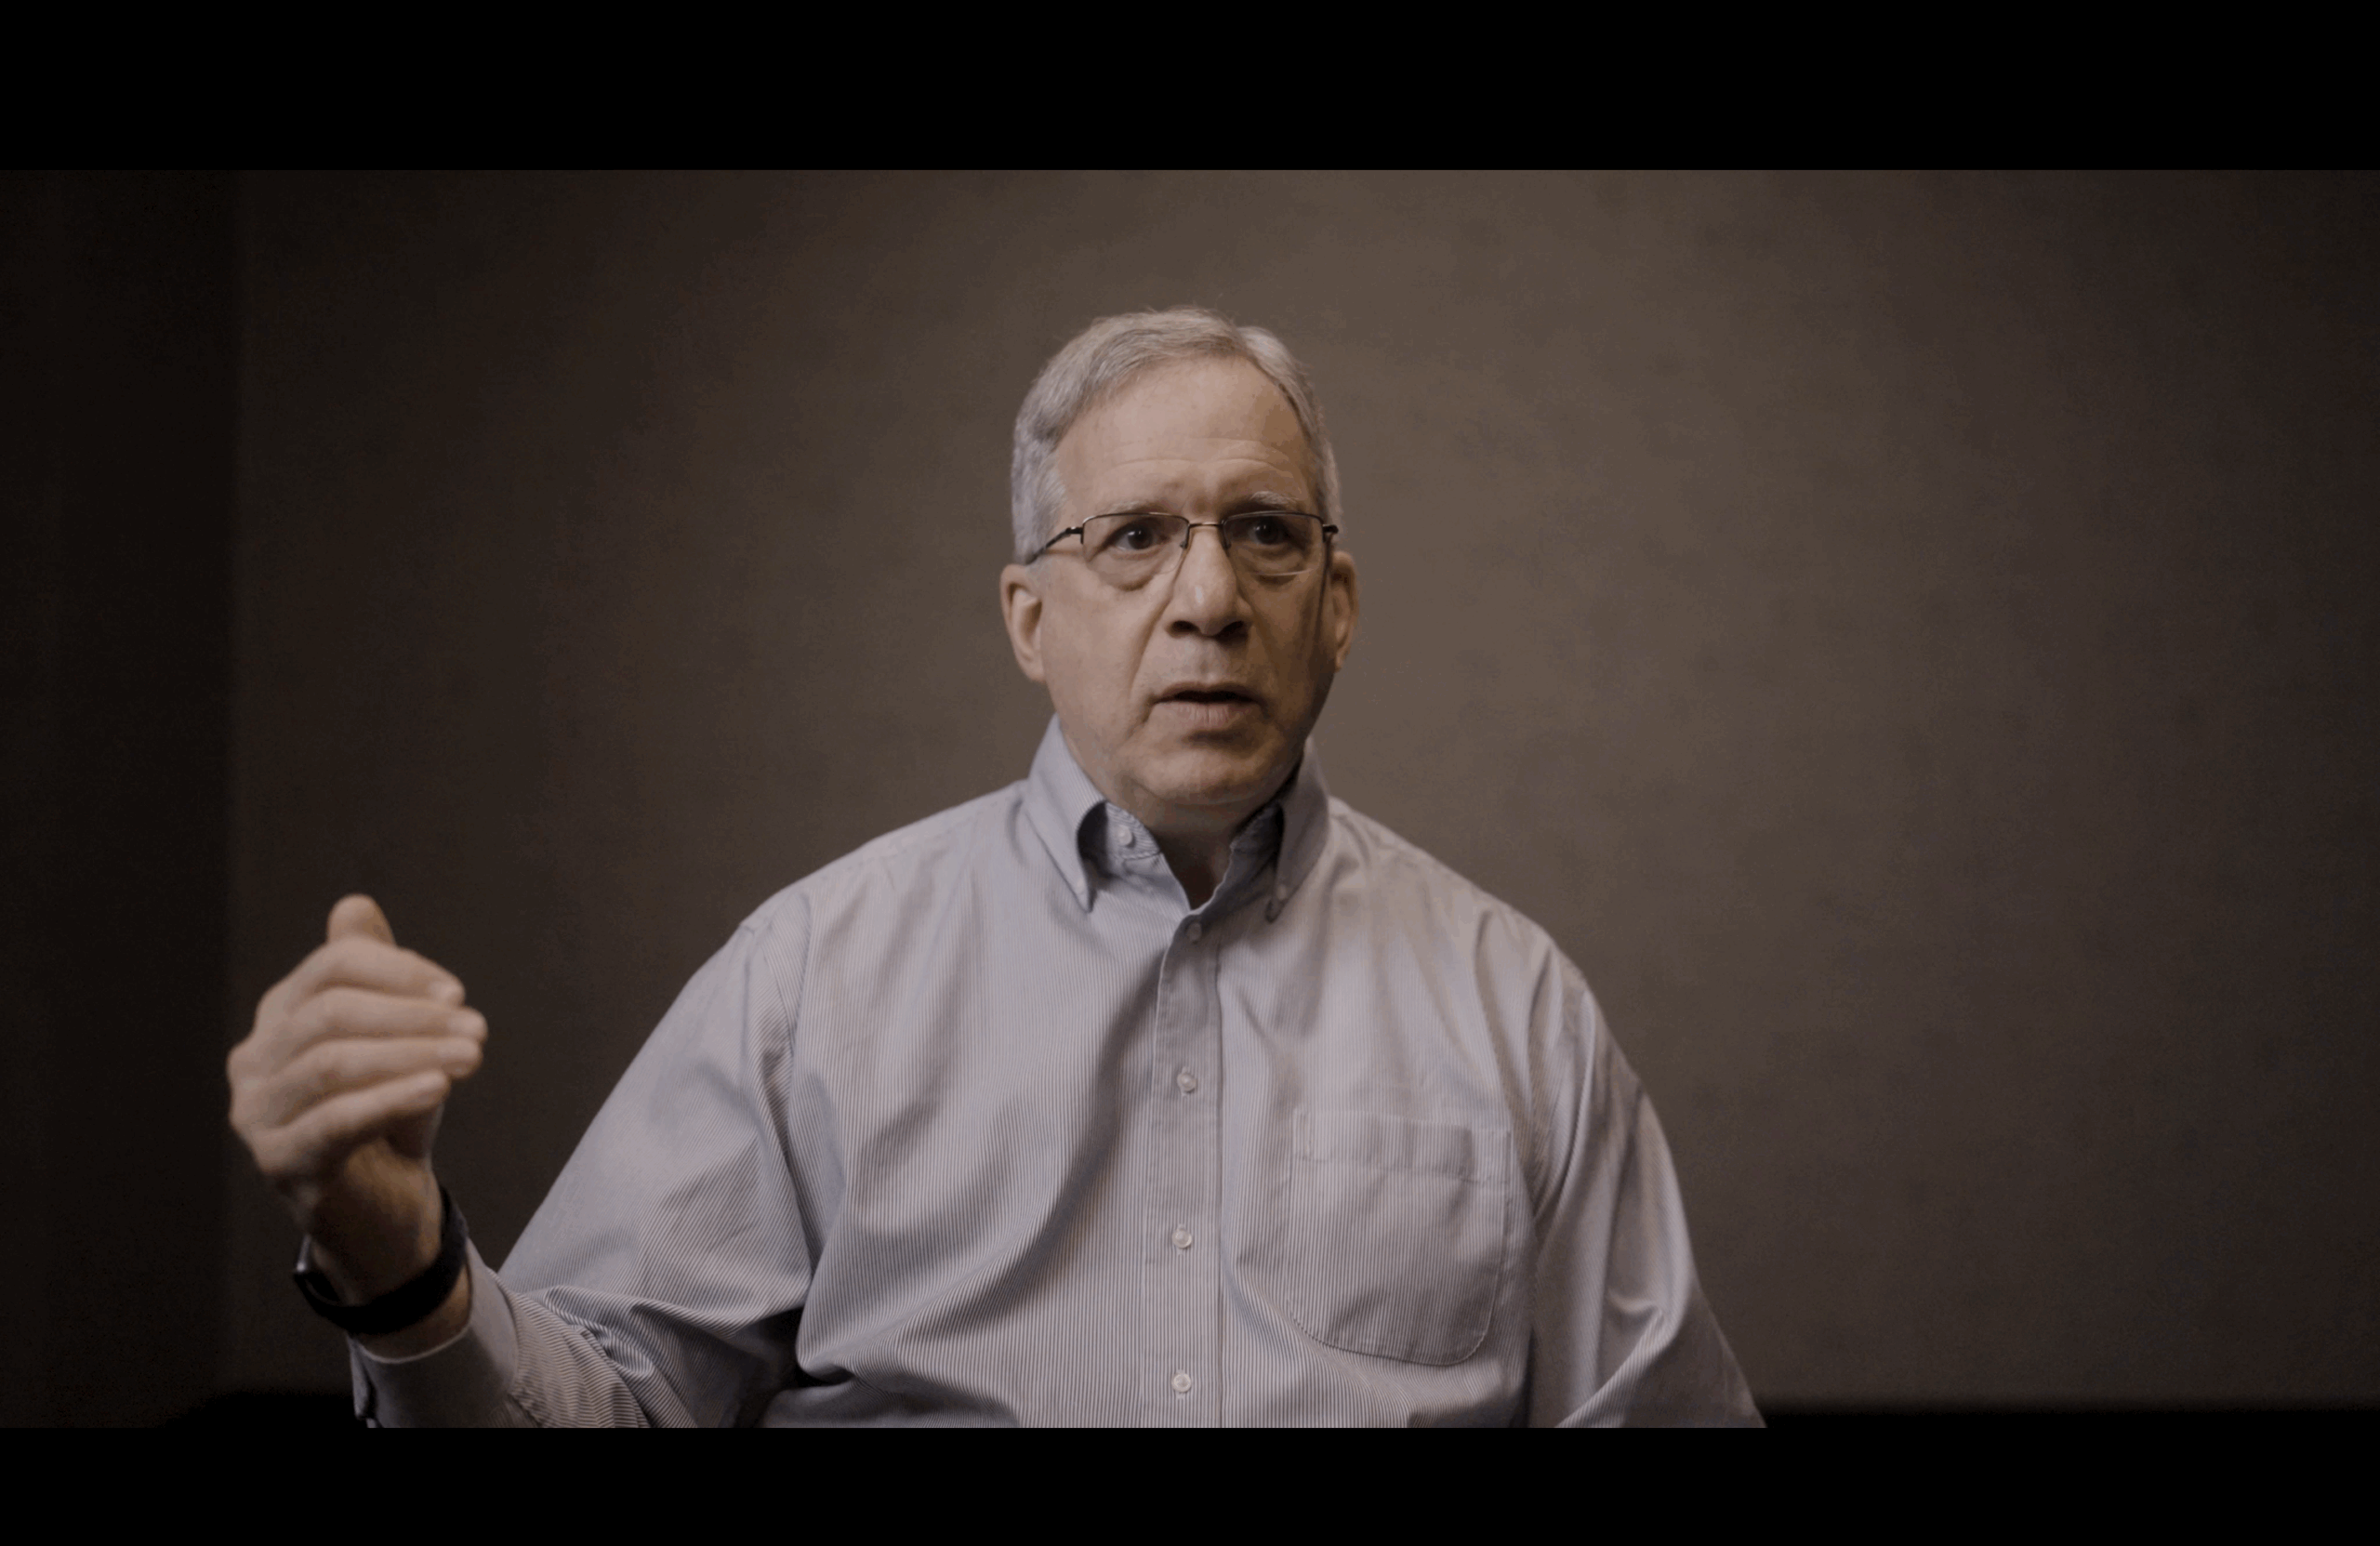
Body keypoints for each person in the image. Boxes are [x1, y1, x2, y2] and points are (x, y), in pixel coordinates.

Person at [227, 308, 1762, 1425]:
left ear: (1337, 604)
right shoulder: (815, 979)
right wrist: (398, 1263)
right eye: (1137, 537)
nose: (1210, 598)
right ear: (1031, 619)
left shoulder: (1516, 1007)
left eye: (1265, 533)